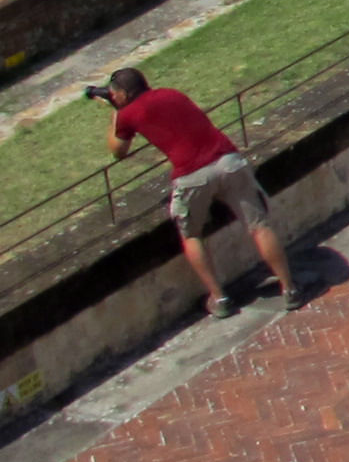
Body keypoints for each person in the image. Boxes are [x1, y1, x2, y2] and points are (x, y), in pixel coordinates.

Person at [102, 69, 304, 317]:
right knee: (259, 226)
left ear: (122, 94)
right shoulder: (171, 93)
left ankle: (220, 298)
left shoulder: (126, 114)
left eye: (114, 94)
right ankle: (290, 289)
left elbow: (118, 151)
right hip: (228, 161)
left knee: (191, 235)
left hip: (191, 175)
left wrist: (115, 113)